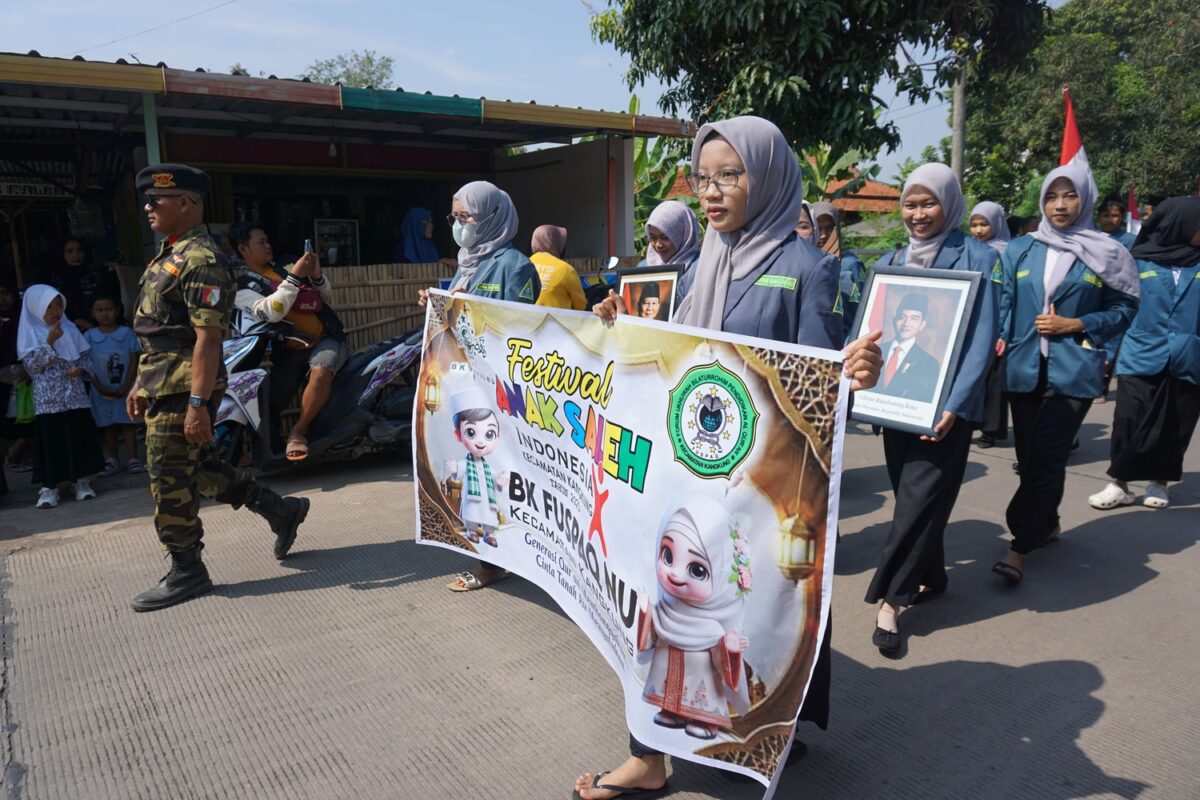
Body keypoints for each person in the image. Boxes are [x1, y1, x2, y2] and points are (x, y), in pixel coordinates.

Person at [579, 115, 883, 800]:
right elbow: (670, 356)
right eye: (703, 178)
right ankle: (650, 756)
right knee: (666, 601)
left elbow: (820, 398)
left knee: (749, 613)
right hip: (687, 473)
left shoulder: (809, 268)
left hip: (759, 482)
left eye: (731, 176)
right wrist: (617, 327)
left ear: (768, 177)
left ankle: (764, 725)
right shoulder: (697, 263)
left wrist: (851, 374)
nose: (711, 192)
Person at [127, 163, 311, 612]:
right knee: (200, 470)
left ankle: (188, 571)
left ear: (187, 203)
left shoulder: (200, 260)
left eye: (157, 199)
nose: (148, 207)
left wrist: (197, 404)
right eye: (147, 200)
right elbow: (158, 331)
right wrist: (139, 382)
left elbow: (208, 338)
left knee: (168, 480)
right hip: (162, 382)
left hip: (183, 389)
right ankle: (280, 510)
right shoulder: (168, 254)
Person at [863, 163, 999, 656]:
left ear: (950, 204)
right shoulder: (896, 257)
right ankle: (932, 575)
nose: (918, 214)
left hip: (944, 409)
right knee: (909, 493)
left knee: (918, 498)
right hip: (897, 400)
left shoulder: (980, 257)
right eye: (910, 204)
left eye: (928, 203)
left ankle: (891, 601)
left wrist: (957, 405)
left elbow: (981, 341)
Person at [992, 161, 1139, 584]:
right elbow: (1004, 306)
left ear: (1085, 199)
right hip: (1023, 370)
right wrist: (999, 346)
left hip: (1074, 372)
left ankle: (1019, 545)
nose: (1060, 204)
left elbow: (1125, 308)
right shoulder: (1022, 249)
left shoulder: (1106, 253)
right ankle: (1049, 521)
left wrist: (1076, 325)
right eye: (1053, 196)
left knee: (1046, 457)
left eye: (1070, 195)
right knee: (1031, 459)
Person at [417, 180, 541, 593]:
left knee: (497, 478)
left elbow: (521, 330)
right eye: (454, 217)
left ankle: (496, 563)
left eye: (465, 217)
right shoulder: (466, 262)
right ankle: (490, 557)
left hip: (498, 394)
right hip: (465, 387)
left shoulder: (514, 265)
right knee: (474, 476)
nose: (458, 224)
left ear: (491, 218)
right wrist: (437, 304)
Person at [1088, 196, 1200, 511]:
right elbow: (1120, 310)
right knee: (1128, 418)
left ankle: (1159, 482)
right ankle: (1119, 484)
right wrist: (1106, 352)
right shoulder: (1137, 261)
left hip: (1188, 357)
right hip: (1140, 354)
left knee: (1176, 424)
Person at [230, 222, 348, 461]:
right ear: (244, 249)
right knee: (269, 402)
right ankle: (261, 452)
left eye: (267, 240)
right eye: (260, 242)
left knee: (321, 371)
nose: (268, 245)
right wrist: (295, 276)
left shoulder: (284, 266)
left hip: (325, 338)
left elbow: (325, 296)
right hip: (290, 350)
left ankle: (298, 431)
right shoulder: (242, 288)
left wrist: (315, 275)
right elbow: (271, 311)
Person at [17, 285, 104, 508]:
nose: (56, 311)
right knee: (51, 441)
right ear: (36, 309)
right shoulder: (30, 334)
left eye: (59, 305)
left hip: (74, 396)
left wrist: (81, 370)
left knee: (77, 437)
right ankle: (50, 487)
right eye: (49, 307)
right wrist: (49, 342)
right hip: (48, 401)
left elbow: (86, 359)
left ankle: (81, 482)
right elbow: (33, 366)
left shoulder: (70, 328)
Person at [84, 295, 143, 474]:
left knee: (127, 423)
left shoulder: (126, 333)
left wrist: (128, 384)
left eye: (108, 310)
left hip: (125, 388)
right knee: (108, 426)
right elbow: (85, 363)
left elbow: (135, 359)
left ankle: (133, 458)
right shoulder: (89, 336)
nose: (104, 314)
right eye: (99, 310)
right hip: (101, 389)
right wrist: (97, 385)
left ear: (117, 311)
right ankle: (112, 460)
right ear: (92, 313)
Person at [969, 201, 1012, 447]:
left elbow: (1005, 295)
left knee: (994, 381)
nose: (977, 230)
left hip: (995, 323)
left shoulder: (1005, 253)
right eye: (974, 225)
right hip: (974, 322)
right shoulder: (971, 251)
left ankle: (990, 430)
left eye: (983, 224)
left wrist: (1002, 331)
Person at [812, 201, 867, 341]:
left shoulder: (850, 265)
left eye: (829, 228)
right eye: (819, 227)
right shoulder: (806, 262)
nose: (823, 235)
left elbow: (859, 313)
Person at [44, 237, 122, 331]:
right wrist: (77, 320)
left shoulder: (95, 277)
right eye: (70, 251)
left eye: (79, 250)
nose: (76, 255)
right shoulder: (54, 281)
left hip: (99, 330)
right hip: (64, 331)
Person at [877, 293, 941, 401]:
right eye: (902, 317)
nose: (906, 323)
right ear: (894, 321)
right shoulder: (876, 350)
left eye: (914, 318)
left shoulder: (929, 364)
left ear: (922, 325)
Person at [0, 277, 34, 476]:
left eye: (5, 293)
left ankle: (19, 451)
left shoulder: (23, 319)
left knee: (28, 414)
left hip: (25, 372)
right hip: (3, 377)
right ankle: (15, 452)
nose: (2, 299)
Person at [641, 200, 702, 302]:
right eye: (653, 238)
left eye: (665, 238)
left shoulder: (700, 269)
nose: (658, 245)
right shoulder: (643, 268)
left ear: (683, 235)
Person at [530, 224, 587, 310]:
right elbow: (581, 305)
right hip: (556, 322)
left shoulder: (523, 264)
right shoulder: (565, 269)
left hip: (526, 321)